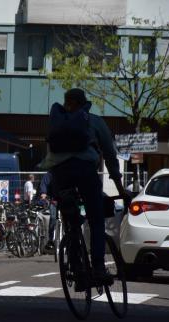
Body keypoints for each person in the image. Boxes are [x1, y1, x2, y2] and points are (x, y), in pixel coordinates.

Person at [41, 88, 130, 285]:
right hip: (85, 172)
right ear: (84, 103)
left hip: (60, 174)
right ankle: (98, 268)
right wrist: (120, 188)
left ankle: (77, 269)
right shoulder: (95, 121)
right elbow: (109, 155)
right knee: (96, 218)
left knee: (71, 222)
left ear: (66, 103)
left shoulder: (57, 122)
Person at [39, 172, 57, 251]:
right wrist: (43, 193)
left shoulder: (66, 171)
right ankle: (50, 239)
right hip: (54, 200)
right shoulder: (50, 174)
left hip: (65, 198)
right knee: (53, 218)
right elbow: (44, 184)